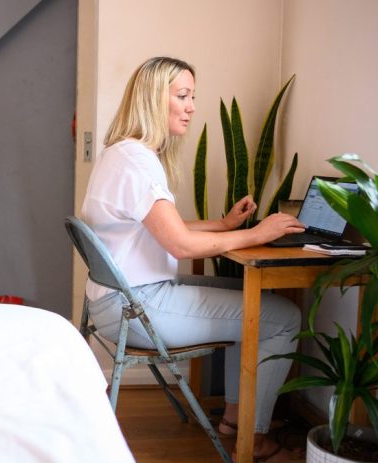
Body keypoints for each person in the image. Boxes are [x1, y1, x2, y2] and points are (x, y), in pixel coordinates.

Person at [81, 57, 306, 462]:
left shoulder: (120, 153)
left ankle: (236, 424)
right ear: (153, 99)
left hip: (117, 302)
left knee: (250, 298)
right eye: (182, 96)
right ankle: (250, 439)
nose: (191, 106)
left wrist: (222, 225)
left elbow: (163, 228)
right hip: (138, 307)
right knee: (283, 318)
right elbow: (181, 246)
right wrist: (258, 233)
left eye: (192, 97)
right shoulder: (139, 162)